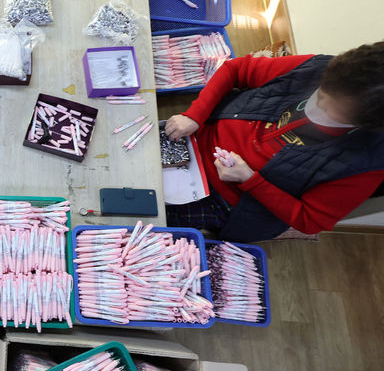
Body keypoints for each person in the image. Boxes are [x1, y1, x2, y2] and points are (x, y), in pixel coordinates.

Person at [164, 42, 384, 242]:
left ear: (363, 123)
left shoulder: (366, 162)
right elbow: (236, 69)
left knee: (150, 214)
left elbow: (309, 220)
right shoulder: (319, 68)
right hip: (197, 137)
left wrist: (250, 180)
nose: (318, 104)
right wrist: (195, 115)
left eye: (330, 109)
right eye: (321, 92)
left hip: (223, 198)